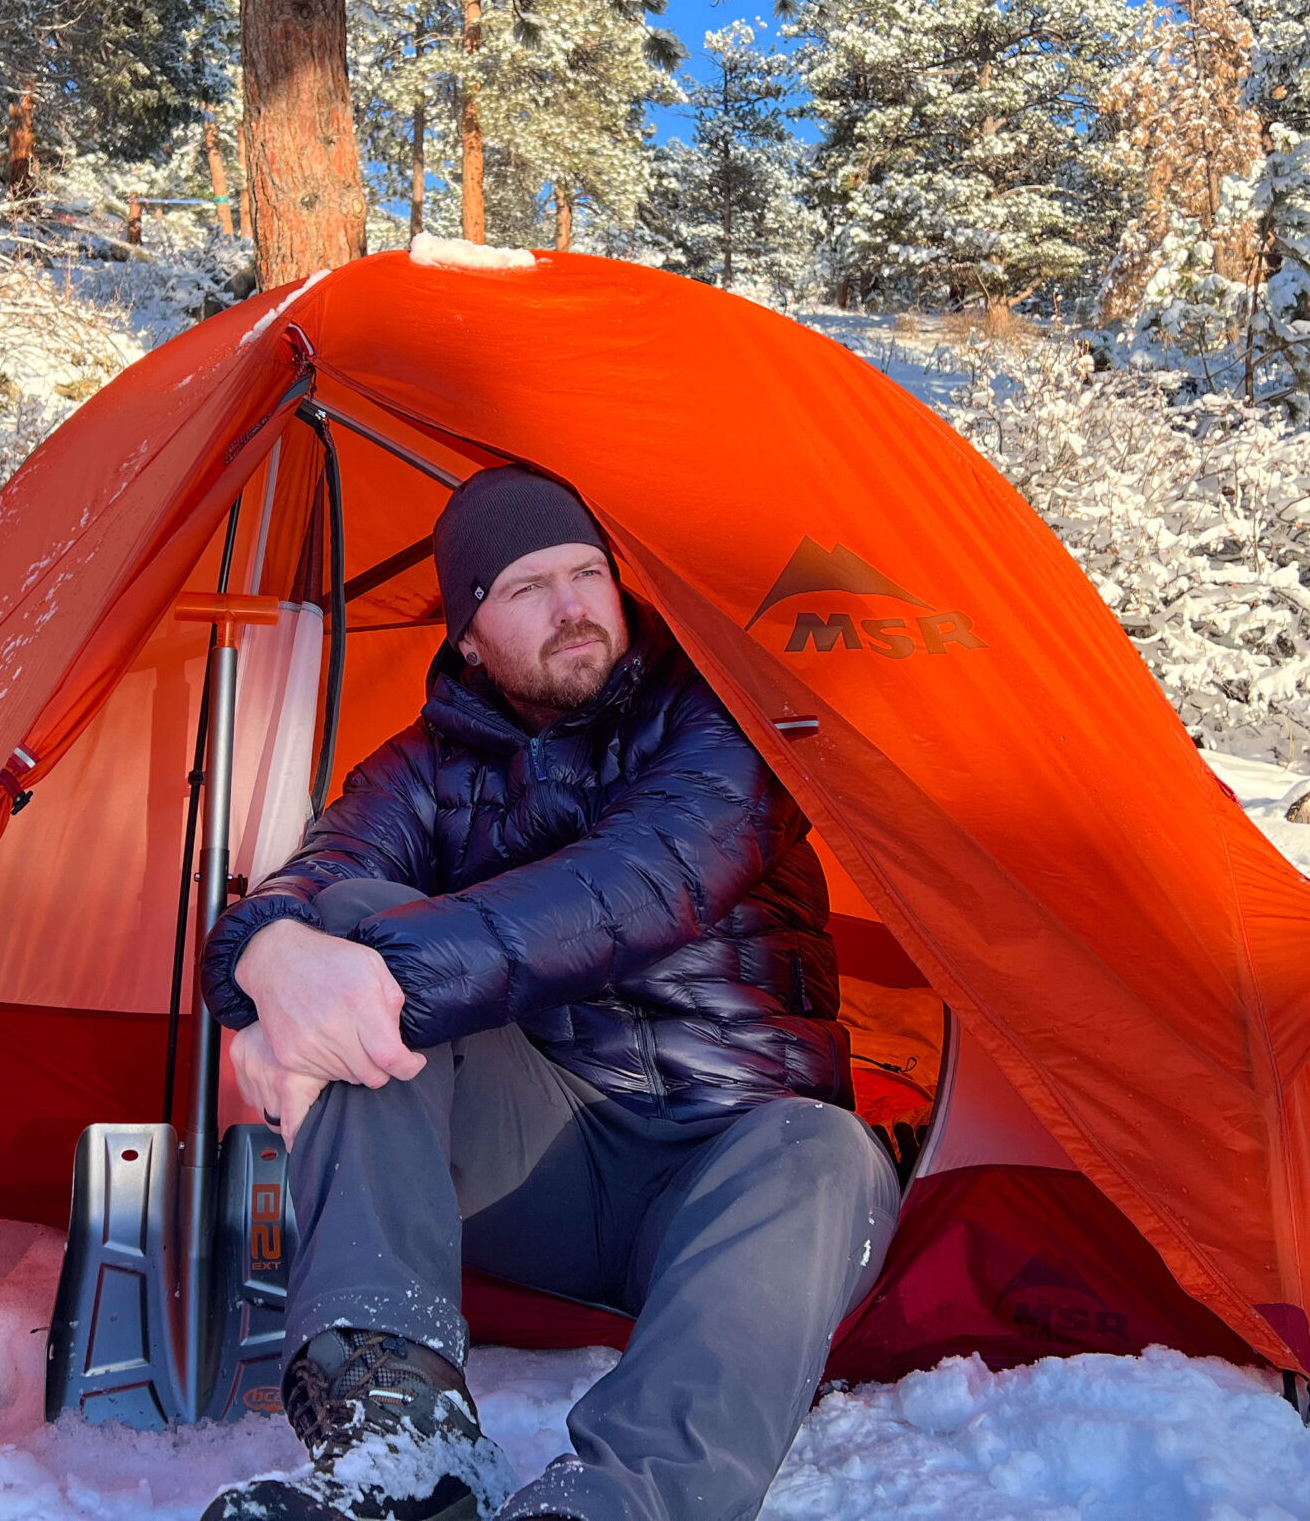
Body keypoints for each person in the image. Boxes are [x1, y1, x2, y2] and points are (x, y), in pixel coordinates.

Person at [197, 465, 896, 1521]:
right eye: (525, 589)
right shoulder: (423, 767)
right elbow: (316, 878)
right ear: (468, 639)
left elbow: (630, 891)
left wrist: (332, 992)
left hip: (735, 1169)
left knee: (827, 1150)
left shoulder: (727, 715)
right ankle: (399, 1440)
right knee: (333, 927)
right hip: (544, 1157)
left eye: (587, 575)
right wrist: (266, 967)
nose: (573, 607)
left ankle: (618, 1502)